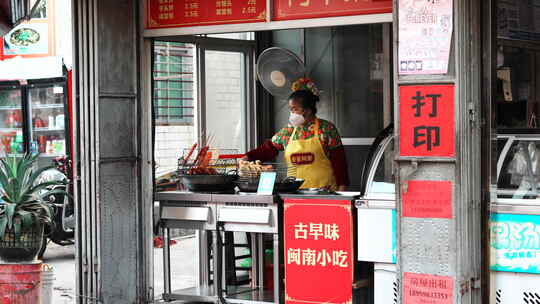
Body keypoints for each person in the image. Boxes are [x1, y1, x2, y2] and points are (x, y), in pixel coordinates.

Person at [245, 78, 349, 191]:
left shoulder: (327, 129)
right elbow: (268, 148)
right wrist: (248, 157)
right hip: (294, 193)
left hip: (325, 192)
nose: (291, 114)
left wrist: (342, 188)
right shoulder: (288, 132)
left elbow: (339, 162)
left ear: (308, 110)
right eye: (290, 110)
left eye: (294, 109)